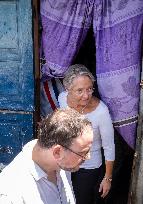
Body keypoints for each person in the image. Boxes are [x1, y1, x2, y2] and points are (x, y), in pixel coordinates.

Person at [0, 109, 93, 204]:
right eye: (82, 153)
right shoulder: (11, 195)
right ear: (57, 152)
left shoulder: (63, 163)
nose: (88, 157)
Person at [58, 64, 115, 204]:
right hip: (64, 163)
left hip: (88, 167)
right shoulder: (62, 99)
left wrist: (107, 178)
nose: (86, 95)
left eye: (89, 89)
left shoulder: (101, 112)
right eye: (80, 91)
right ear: (68, 89)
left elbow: (109, 146)